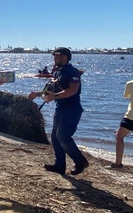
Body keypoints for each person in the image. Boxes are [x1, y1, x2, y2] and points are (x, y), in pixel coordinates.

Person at [28, 47, 88, 176]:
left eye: (57, 56)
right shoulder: (57, 72)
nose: (54, 59)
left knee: (63, 136)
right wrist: (37, 94)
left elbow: (73, 90)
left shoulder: (72, 72)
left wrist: (54, 97)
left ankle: (80, 161)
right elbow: (50, 89)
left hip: (72, 109)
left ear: (65, 57)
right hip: (60, 108)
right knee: (55, 137)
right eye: (54, 56)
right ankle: (60, 165)